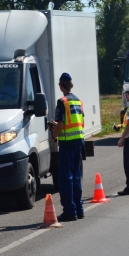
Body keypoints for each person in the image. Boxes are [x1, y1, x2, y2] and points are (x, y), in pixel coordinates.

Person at [49, 72, 85, 221]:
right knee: (76, 176)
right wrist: (59, 126)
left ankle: (70, 211)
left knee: (66, 178)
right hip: (79, 141)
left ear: (60, 86)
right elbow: (79, 122)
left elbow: (61, 124)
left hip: (67, 144)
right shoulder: (78, 101)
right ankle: (79, 209)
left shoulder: (62, 102)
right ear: (71, 85)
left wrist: (54, 136)